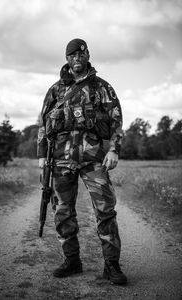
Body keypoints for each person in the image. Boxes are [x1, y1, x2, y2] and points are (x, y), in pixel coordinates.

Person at [37, 38, 127, 285]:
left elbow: (116, 120)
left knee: (105, 211)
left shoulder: (102, 87)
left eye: (80, 53)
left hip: (94, 160)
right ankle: (72, 261)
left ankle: (112, 266)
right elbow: (43, 125)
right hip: (61, 161)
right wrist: (41, 158)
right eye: (71, 54)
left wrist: (114, 150)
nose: (76, 58)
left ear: (87, 55)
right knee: (63, 212)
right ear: (67, 59)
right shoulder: (56, 90)